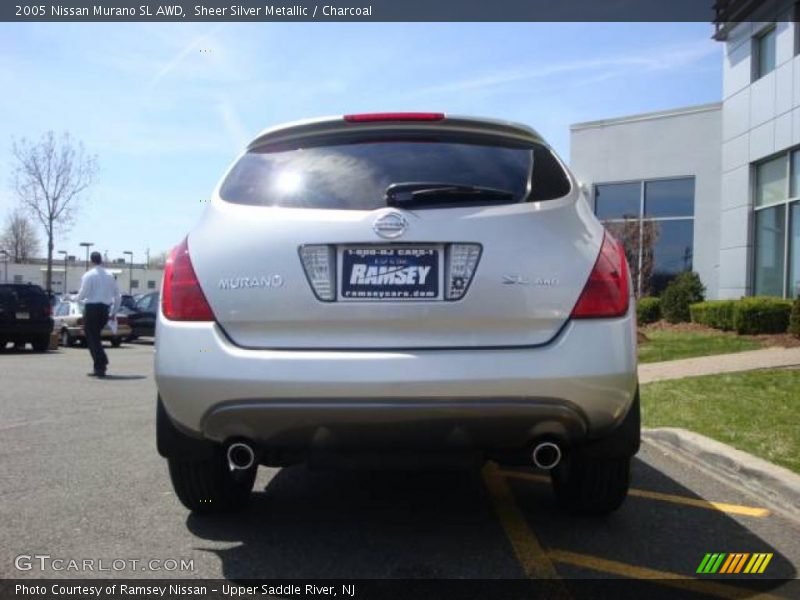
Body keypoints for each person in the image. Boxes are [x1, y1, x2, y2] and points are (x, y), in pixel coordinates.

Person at [77, 251, 122, 378]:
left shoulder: (88, 275)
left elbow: (83, 294)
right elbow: (118, 296)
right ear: (101, 260)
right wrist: (113, 312)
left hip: (92, 308)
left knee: (92, 338)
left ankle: (101, 362)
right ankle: (98, 366)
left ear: (91, 261)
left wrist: (74, 298)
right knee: (95, 337)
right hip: (104, 310)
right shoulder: (110, 275)